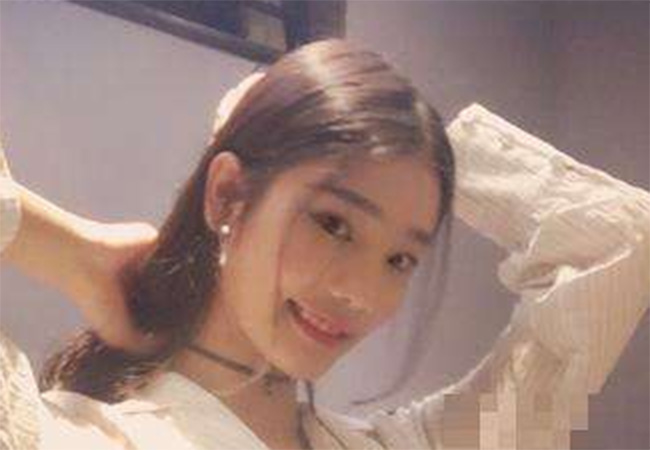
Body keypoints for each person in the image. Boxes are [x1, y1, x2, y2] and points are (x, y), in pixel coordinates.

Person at [1, 38, 648, 450]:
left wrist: (416, 135)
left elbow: (619, 240)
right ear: (226, 195)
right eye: (334, 224)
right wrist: (71, 250)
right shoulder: (66, 436)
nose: (361, 293)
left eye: (400, 259)